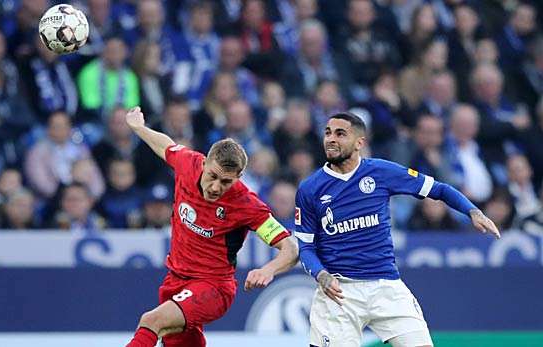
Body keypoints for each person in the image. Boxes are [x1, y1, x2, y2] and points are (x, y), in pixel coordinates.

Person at [295, 112, 500, 347]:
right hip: (340, 290)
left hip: (386, 285)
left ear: (360, 142)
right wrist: (321, 275)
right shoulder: (310, 189)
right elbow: (306, 247)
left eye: (340, 134)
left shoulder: (381, 172)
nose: (331, 139)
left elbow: (439, 189)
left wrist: (473, 212)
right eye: (328, 133)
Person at [123, 106, 299, 347]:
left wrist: (269, 270)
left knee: (152, 320)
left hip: (213, 288)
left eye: (226, 182)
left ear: (238, 178)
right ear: (205, 163)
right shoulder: (188, 164)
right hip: (175, 281)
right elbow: (164, 145)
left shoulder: (246, 204)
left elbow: (290, 249)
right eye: (213, 176)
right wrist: (139, 128)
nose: (216, 187)